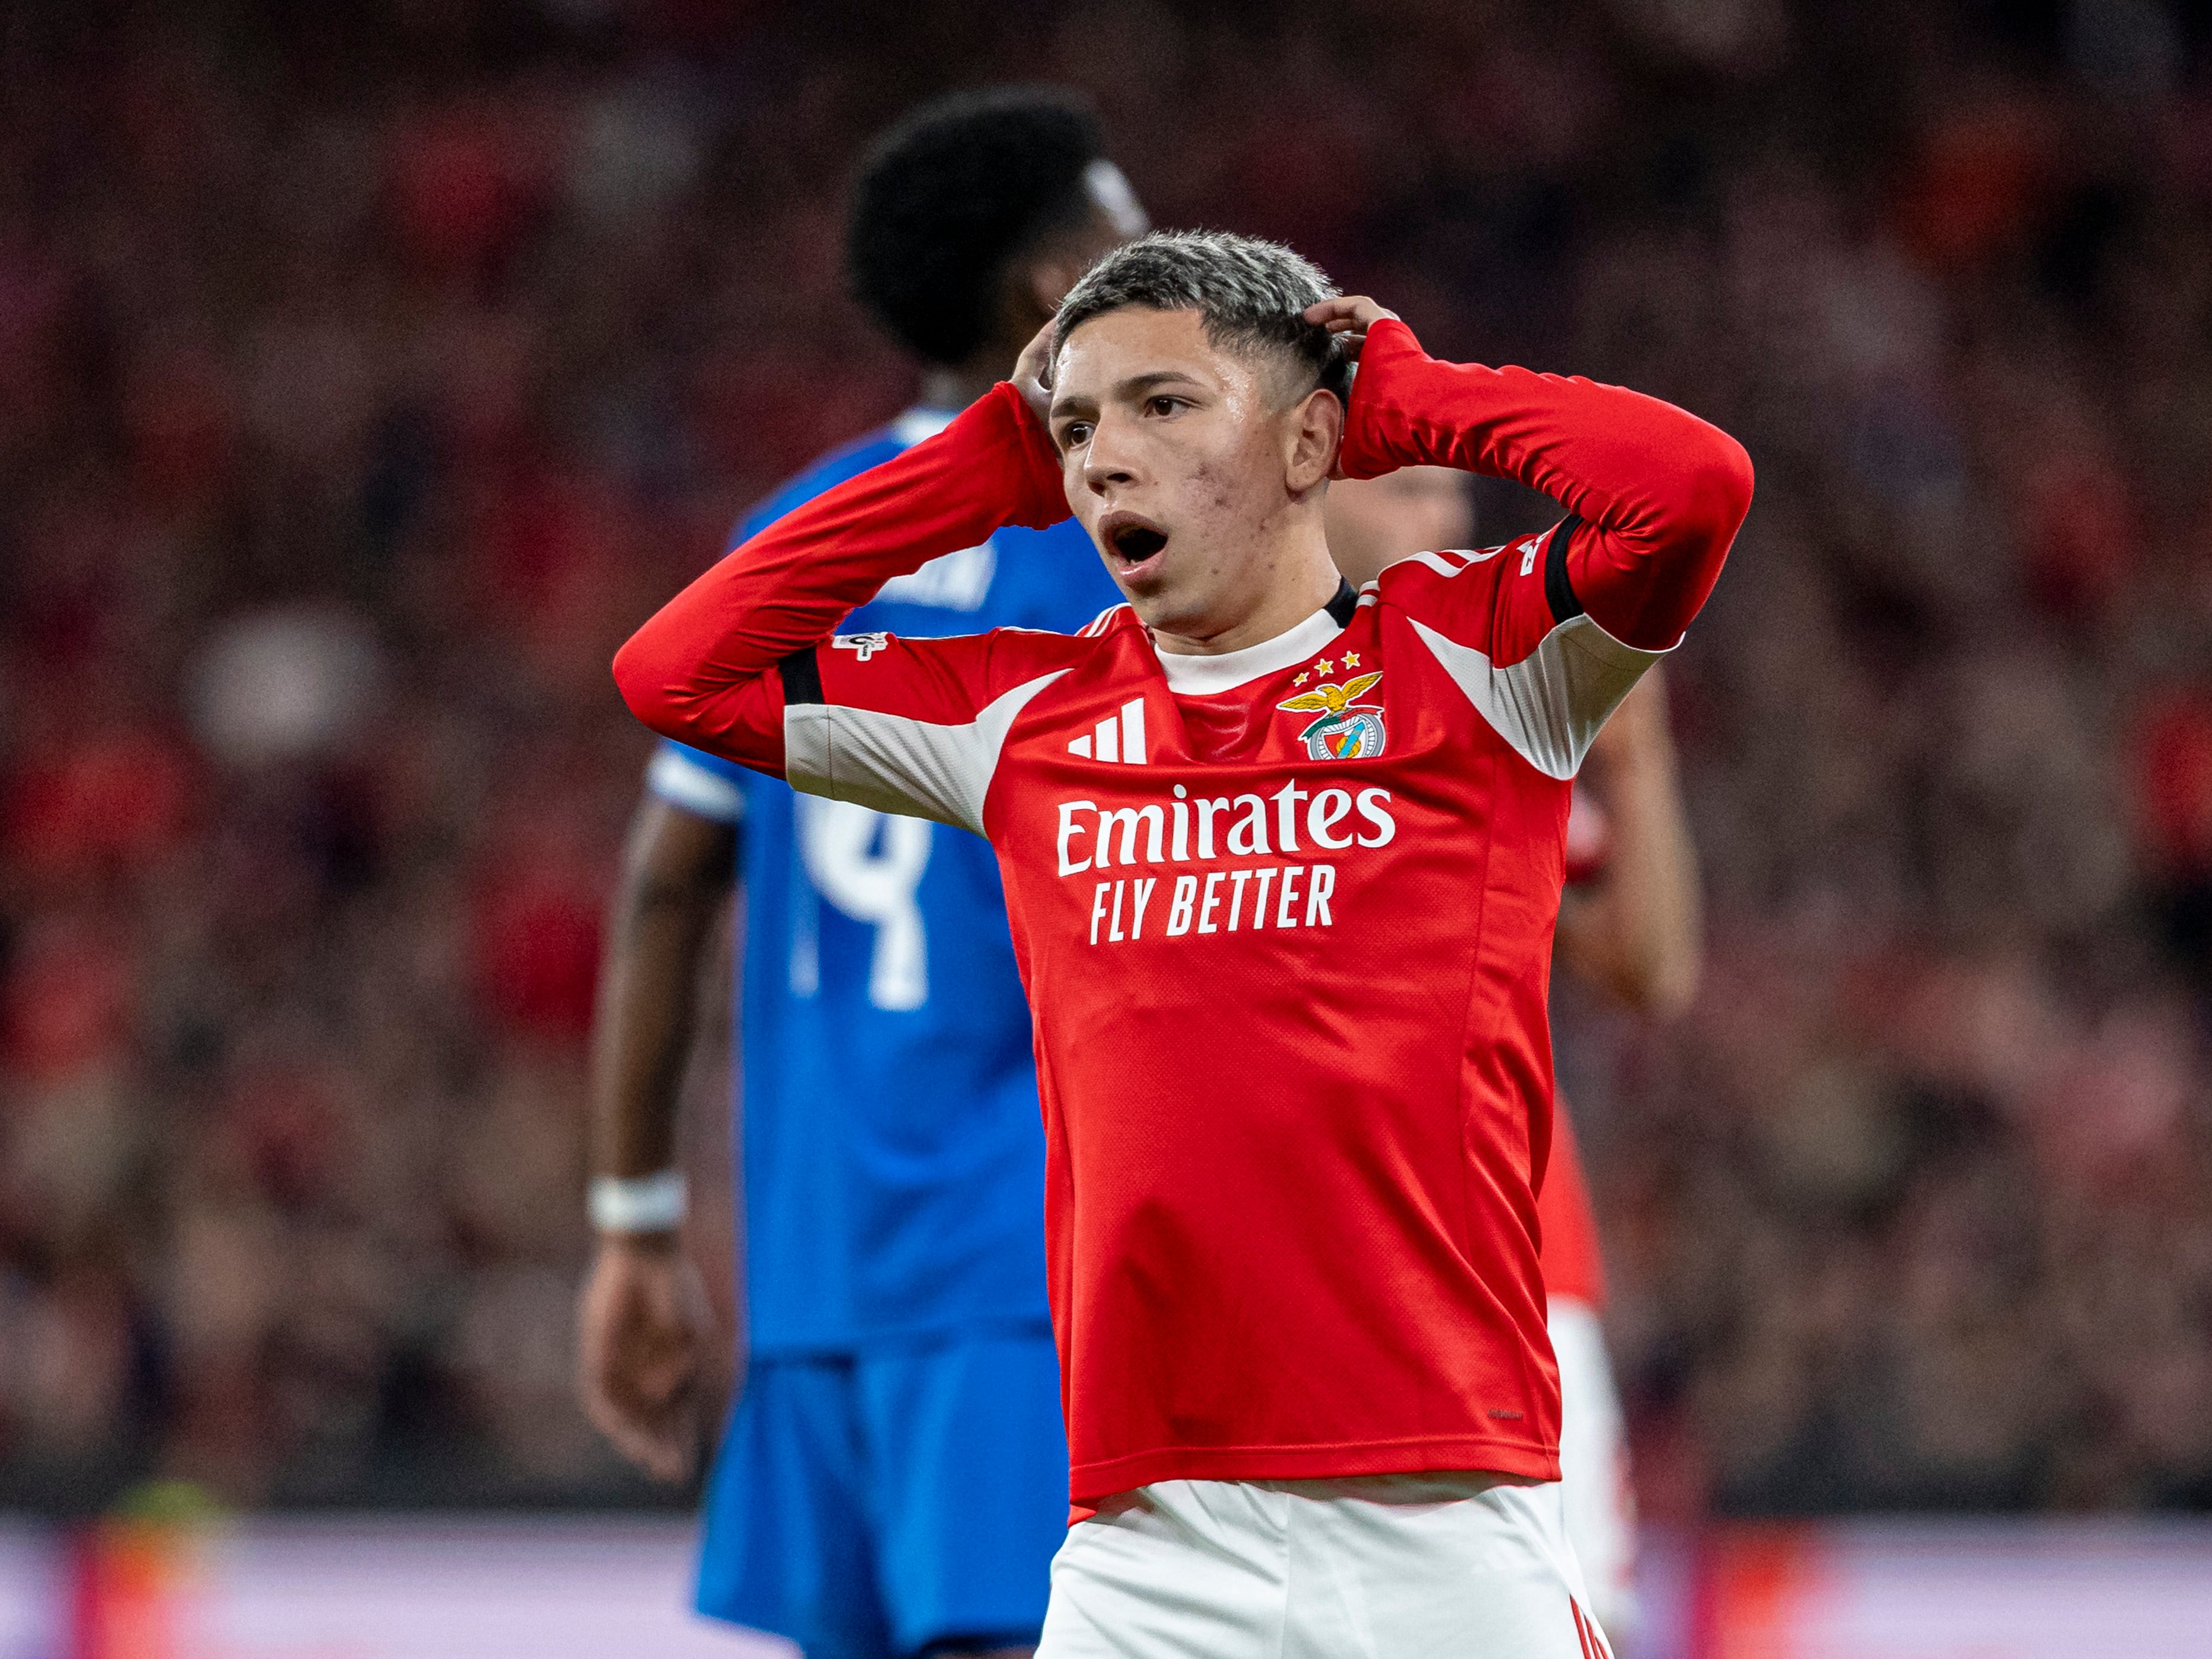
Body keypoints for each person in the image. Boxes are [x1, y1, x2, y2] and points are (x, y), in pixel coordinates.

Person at [613, 230, 1752, 1657]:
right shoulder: (1022, 716)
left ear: (1309, 442)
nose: (1107, 457)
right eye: (1079, 426)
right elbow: (676, 671)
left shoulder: (1473, 659)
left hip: (1444, 1524)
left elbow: (1695, 487)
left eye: (1163, 404)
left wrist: (1413, 399)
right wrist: (985, 465)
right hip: (1147, 1549)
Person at [576, 87, 1144, 1659]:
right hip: (1029, 1260)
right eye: (1131, 234)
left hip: (817, 1271)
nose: (1165, 261)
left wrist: (634, 1223)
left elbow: (665, 886)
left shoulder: (799, 534)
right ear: (1054, 287)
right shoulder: (1131, 541)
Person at [1326, 467, 1706, 1639]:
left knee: (1572, 1619)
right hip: (1314, 1270)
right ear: (1301, 478)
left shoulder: (1486, 695)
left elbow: (1648, 969)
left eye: (1452, 497)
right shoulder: (1211, 694)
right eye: (1404, 492)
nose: (1443, 523)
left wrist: (1637, 755)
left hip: (1517, 1259)